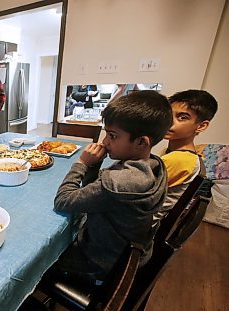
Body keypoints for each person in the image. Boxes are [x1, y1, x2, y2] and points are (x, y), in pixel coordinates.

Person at [50, 90, 173, 280]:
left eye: (113, 136)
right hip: (129, 255)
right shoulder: (154, 166)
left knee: (44, 254)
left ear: (142, 142)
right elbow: (97, 194)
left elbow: (63, 201)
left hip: (101, 262)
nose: (105, 142)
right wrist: (95, 164)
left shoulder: (118, 183)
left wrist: (82, 163)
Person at [154, 90, 218, 221]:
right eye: (168, 115)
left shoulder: (180, 159)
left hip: (137, 226)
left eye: (182, 117)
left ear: (201, 126)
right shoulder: (185, 156)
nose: (170, 122)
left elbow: (133, 191)